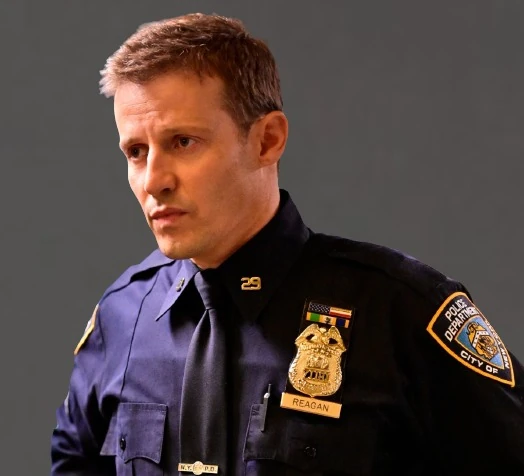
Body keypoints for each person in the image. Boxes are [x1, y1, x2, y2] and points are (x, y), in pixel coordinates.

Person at [50, 12, 524, 476]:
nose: (154, 180)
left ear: (267, 140)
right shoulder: (122, 318)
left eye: (183, 142)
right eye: (136, 151)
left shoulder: (400, 310)